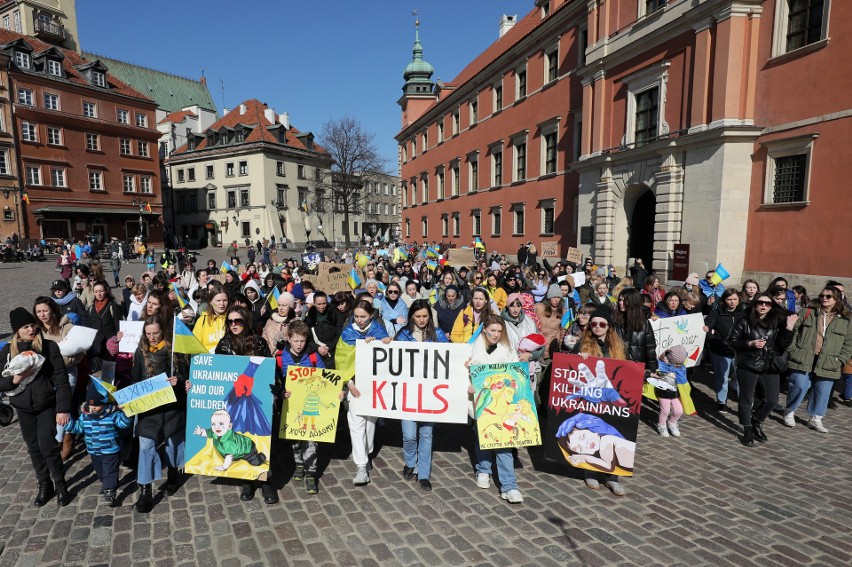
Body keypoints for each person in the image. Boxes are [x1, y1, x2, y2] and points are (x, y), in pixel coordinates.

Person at [0, 308, 72, 506]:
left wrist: (63, 409)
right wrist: (14, 380)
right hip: (23, 408)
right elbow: (1, 381)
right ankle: (44, 484)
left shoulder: (49, 347)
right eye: (26, 327)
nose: (31, 329)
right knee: (33, 447)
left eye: (33, 325)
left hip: (46, 404)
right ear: (17, 331)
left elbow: (61, 380)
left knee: (48, 446)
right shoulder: (7, 352)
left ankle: (60, 483)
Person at [214, 307, 279, 504]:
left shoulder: (258, 342)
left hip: (253, 395)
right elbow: (216, 371)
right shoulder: (223, 344)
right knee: (238, 435)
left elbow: (269, 367)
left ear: (246, 322)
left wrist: (275, 386)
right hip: (234, 398)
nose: (234, 325)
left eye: (238, 321)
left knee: (260, 435)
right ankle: (247, 481)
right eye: (230, 321)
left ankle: (265, 480)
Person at [130, 317, 189, 512]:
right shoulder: (141, 351)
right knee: (146, 447)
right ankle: (145, 490)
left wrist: (178, 381)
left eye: (155, 333)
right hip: (150, 409)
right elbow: (136, 379)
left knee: (173, 444)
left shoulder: (175, 351)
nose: (152, 337)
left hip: (172, 407)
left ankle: (173, 471)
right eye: (148, 334)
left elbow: (187, 377)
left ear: (162, 331)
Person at [568, 308, 629, 496]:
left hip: (611, 399)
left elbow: (626, 370)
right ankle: (590, 470)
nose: (597, 327)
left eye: (602, 324)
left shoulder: (618, 345)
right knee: (592, 434)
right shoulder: (583, 344)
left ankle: (612, 476)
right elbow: (570, 366)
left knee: (613, 434)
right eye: (594, 323)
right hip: (592, 399)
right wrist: (579, 357)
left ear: (609, 326)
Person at [467, 314, 523, 504]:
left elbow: (516, 372)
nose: (496, 334)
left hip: (502, 404)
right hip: (480, 400)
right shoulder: (472, 349)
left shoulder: (507, 349)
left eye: (499, 331)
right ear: (484, 329)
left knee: (503, 442)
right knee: (481, 436)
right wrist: (468, 385)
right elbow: (461, 372)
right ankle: (483, 468)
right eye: (492, 330)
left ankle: (509, 485)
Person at [728, 293, 797, 446]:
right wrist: (750, 343)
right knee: (746, 398)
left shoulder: (776, 321)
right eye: (760, 303)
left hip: (769, 363)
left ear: (771, 306)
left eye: (767, 303)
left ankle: (756, 421)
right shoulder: (744, 320)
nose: (763, 306)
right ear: (755, 304)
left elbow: (782, 345)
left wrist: (788, 328)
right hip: (748, 363)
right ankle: (747, 429)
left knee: (772, 400)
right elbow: (732, 341)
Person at [394, 300, 449, 491]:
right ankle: (410, 462)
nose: (422, 320)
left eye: (425, 316)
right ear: (411, 317)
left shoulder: (438, 335)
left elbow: (449, 358)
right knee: (409, 435)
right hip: (408, 392)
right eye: (418, 316)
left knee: (426, 433)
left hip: (430, 393)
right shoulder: (402, 335)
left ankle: (423, 473)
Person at [336, 300, 391, 485]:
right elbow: (342, 360)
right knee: (356, 424)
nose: (359, 320)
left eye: (363, 317)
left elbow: (389, 359)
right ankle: (361, 466)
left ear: (371, 316)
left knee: (369, 424)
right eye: (357, 316)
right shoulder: (348, 334)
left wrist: (383, 344)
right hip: (355, 386)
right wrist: (349, 383)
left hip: (374, 386)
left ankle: (365, 454)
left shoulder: (378, 332)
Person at [782, 286, 852, 432]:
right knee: (799, 384)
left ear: (837, 299)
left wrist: (841, 360)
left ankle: (815, 418)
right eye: (822, 295)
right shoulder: (808, 312)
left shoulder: (846, 319)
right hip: (804, 356)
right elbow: (795, 330)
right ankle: (789, 410)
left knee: (823, 390)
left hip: (829, 360)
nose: (824, 298)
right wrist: (793, 349)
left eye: (828, 296)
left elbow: (849, 343)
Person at [278, 320, 332, 495]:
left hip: (311, 406)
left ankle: (311, 472)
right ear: (288, 339)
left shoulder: (314, 357)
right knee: (295, 439)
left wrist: (335, 394)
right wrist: (280, 392)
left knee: (310, 441)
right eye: (295, 341)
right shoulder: (280, 358)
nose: (299, 345)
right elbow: (276, 382)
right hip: (291, 407)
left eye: (302, 341)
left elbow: (325, 380)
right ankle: (299, 463)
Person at [33, 297, 85, 460]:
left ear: (53, 310)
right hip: (44, 375)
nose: (42, 314)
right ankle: (62, 436)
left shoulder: (67, 327)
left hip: (67, 373)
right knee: (50, 406)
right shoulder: (35, 330)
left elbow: (79, 354)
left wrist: (59, 358)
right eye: (39, 311)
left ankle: (59, 441)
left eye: (45, 310)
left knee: (63, 406)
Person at [65, 382, 132, 506]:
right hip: (94, 450)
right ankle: (106, 484)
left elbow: (123, 424)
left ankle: (110, 492)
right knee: (100, 471)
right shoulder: (85, 416)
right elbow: (78, 427)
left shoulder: (112, 414)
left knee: (110, 471)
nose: (93, 408)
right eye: (91, 405)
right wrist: (67, 424)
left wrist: (127, 414)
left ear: (104, 403)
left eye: (97, 405)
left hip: (110, 449)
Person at [703, 288, 745, 412]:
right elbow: (706, 327)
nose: (732, 302)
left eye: (735, 299)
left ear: (739, 299)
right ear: (724, 300)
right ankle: (722, 401)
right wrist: (714, 339)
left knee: (741, 377)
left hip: (740, 351)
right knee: (722, 378)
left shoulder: (744, 312)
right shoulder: (717, 312)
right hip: (721, 350)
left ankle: (743, 402)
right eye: (729, 299)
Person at [644, 345, 693, 438]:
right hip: (663, 392)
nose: (678, 366)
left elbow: (683, 379)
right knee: (665, 410)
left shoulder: (681, 366)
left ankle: (672, 423)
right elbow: (654, 369)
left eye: (680, 364)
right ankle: (662, 425)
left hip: (675, 392)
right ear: (671, 358)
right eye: (676, 364)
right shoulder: (661, 364)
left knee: (679, 410)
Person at [193, 283, 229, 353]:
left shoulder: (233, 319)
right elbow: (196, 345)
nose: (222, 304)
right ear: (211, 302)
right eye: (218, 300)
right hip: (208, 360)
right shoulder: (202, 321)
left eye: (225, 300)